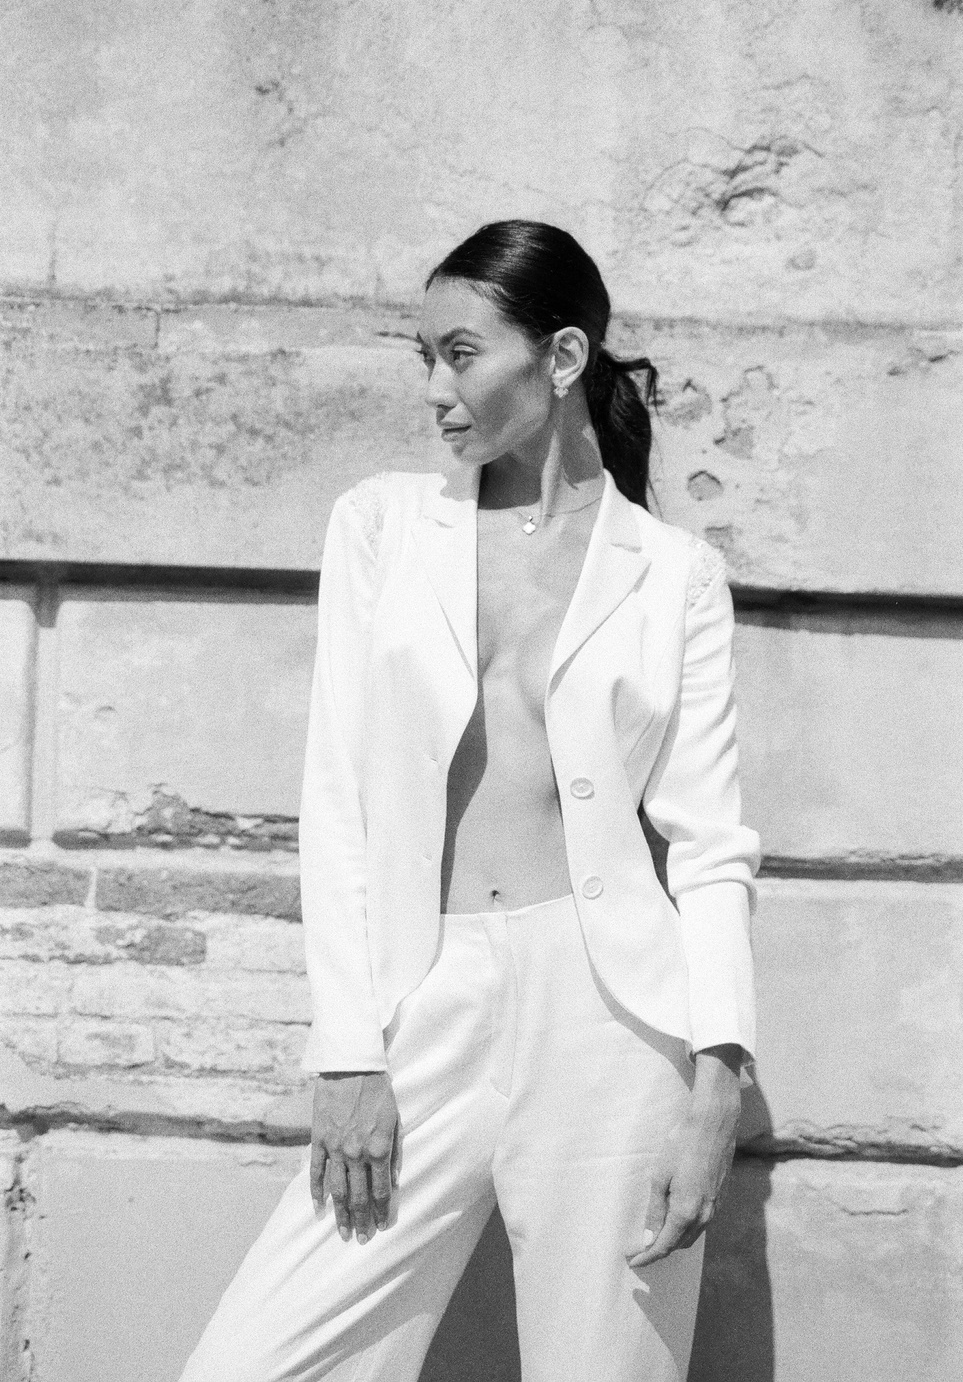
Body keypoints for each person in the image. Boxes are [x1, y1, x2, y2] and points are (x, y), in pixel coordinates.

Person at [180, 220, 760, 1382]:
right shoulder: (382, 529)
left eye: (460, 354)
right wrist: (347, 1053)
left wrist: (715, 1087)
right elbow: (339, 799)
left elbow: (709, 846)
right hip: (424, 1000)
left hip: (614, 1025)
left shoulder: (673, 576)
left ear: (558, 358)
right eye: (424, 360)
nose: (436, 392)